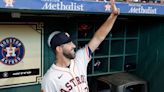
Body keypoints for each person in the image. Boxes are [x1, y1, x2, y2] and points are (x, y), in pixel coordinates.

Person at [41, 0, 120, 92]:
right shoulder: (50, 79)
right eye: (69, 43)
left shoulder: (80, 58)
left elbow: (98, 38)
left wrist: (113, 16)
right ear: (59, 49)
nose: (74, 45)